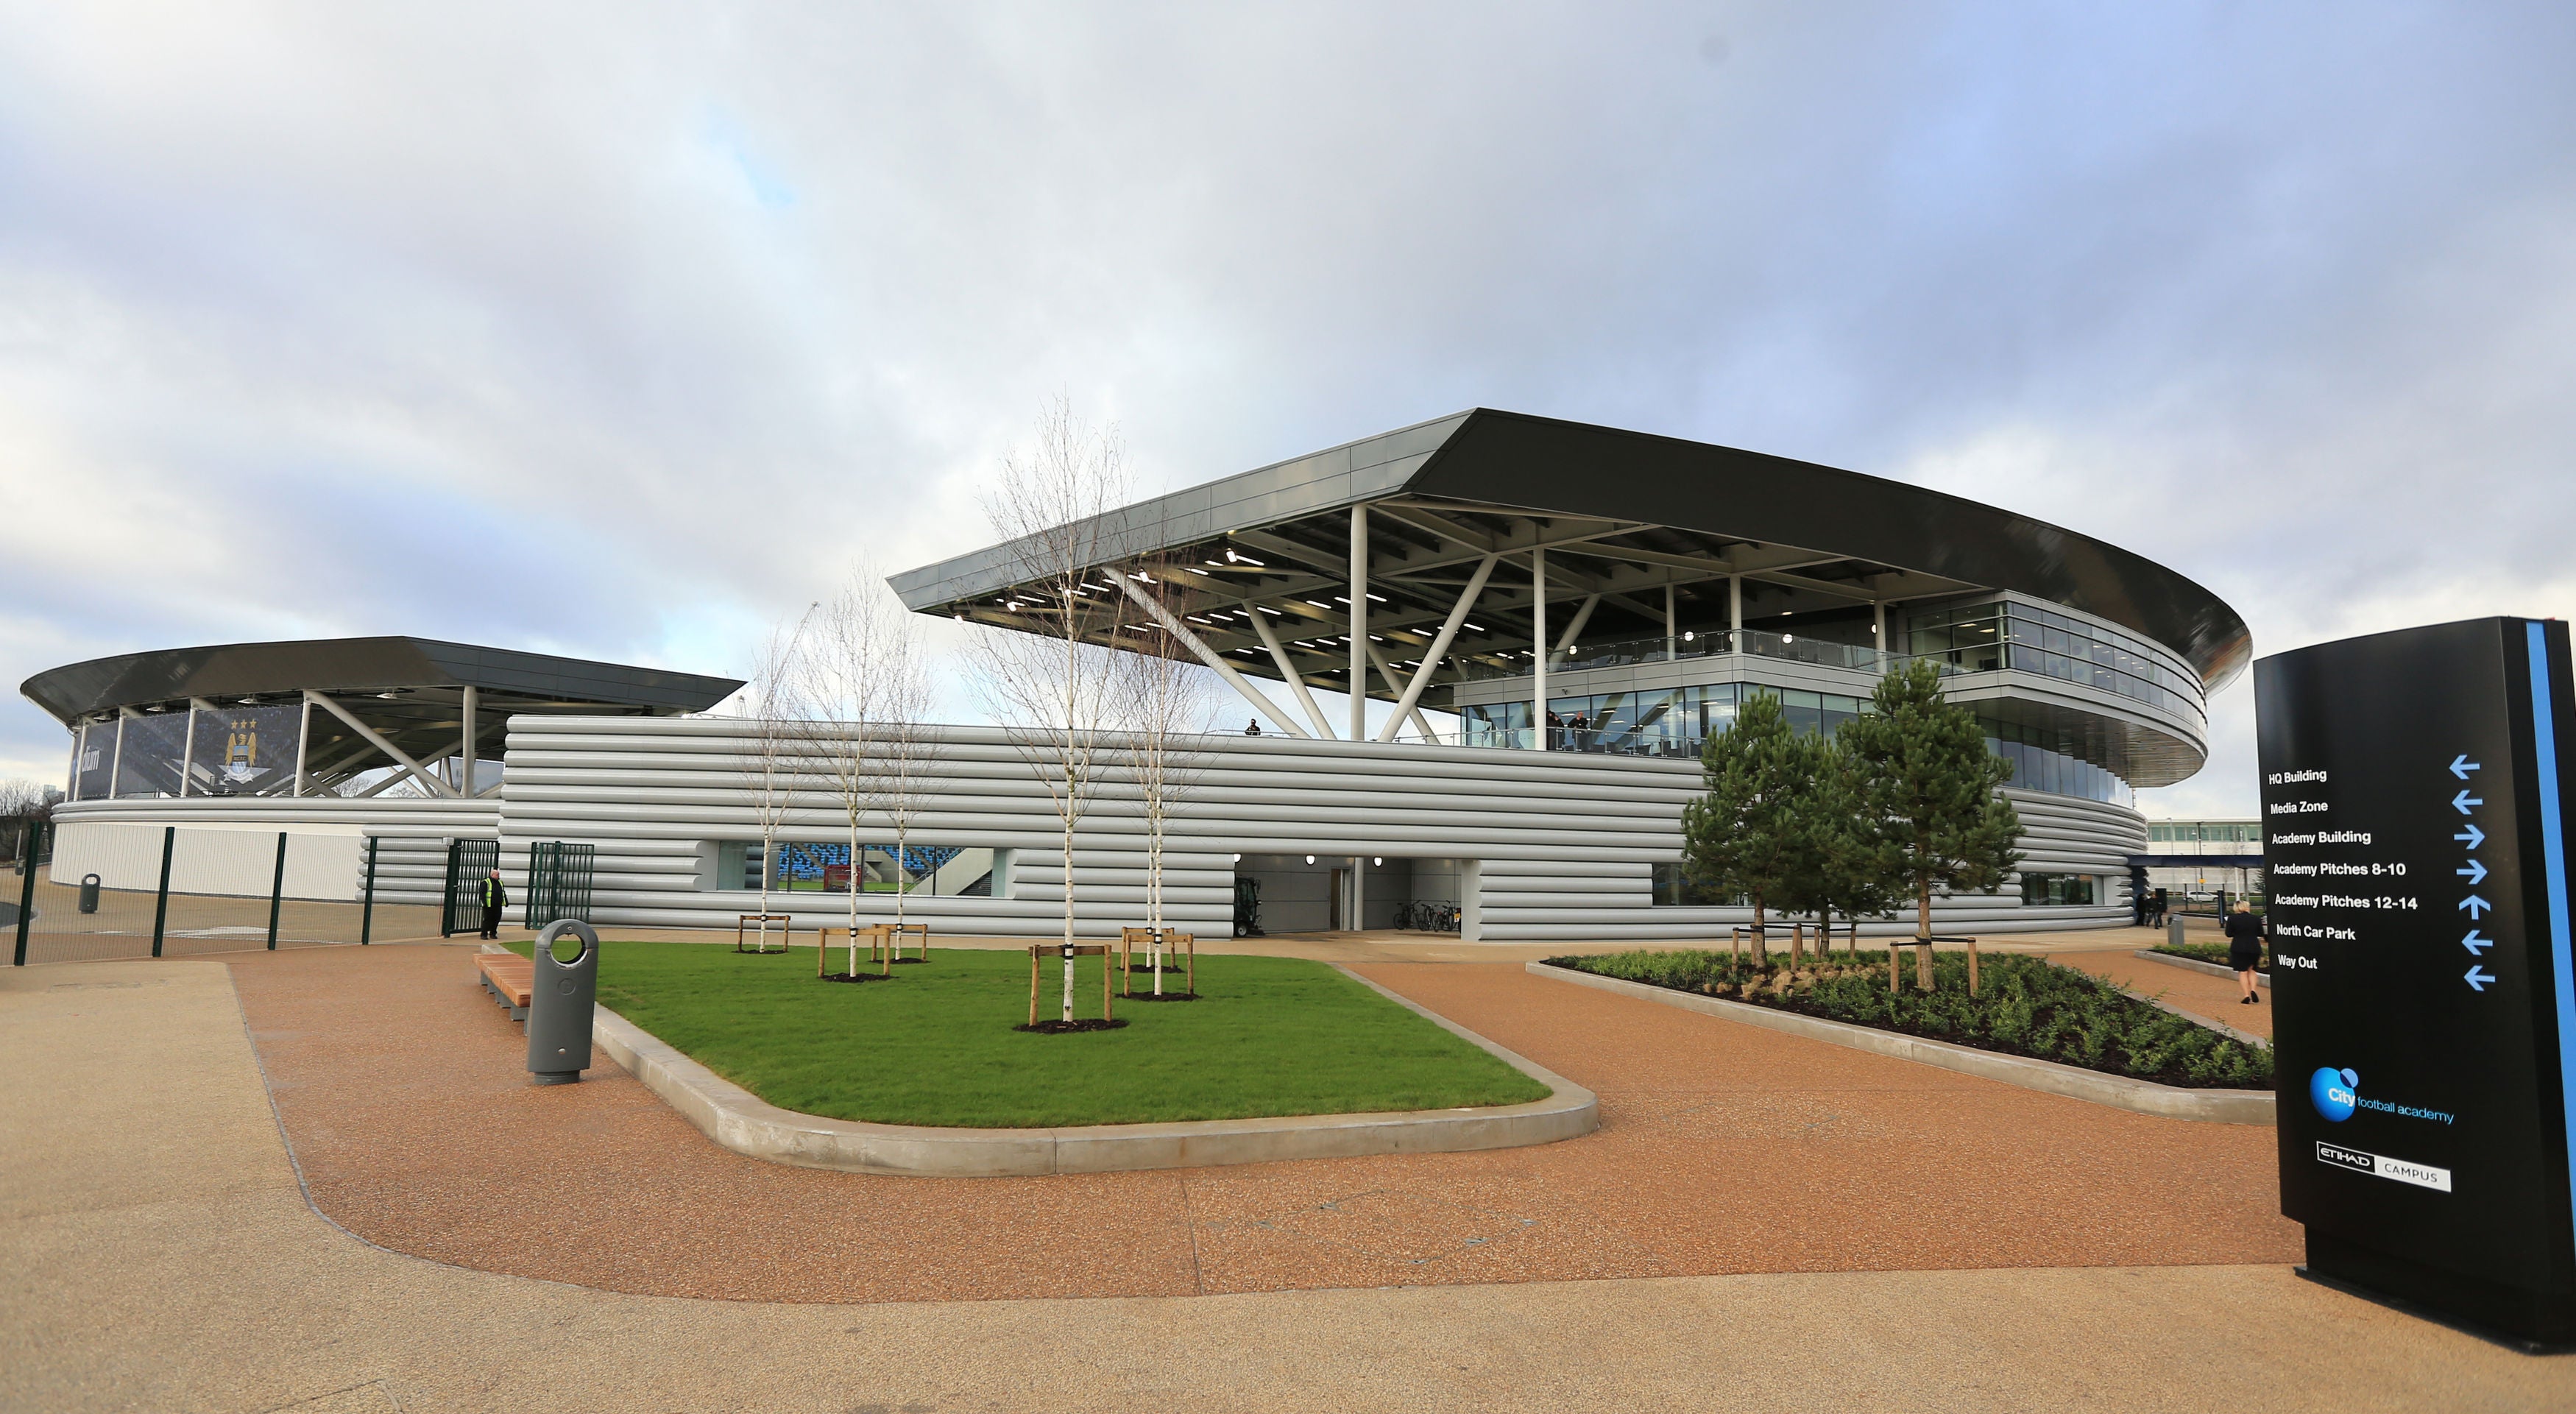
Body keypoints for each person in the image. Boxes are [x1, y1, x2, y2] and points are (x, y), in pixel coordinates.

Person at [2223, 899, 2265, 1005]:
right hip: (2254, 947)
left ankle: (2246, 995)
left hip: (2238, 947)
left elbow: (2228, 934)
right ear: (2246, 907)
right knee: (2252, 970)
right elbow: (2261, 933)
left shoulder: (2232, 919)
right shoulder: (2256, 919)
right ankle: (2253, 990)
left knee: (2243, 972)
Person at [479, 868, 508, 940]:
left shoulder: (500, 882)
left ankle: (493, 933)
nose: (499, 876)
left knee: (496, 919)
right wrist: (484, 902)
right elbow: (482, 893)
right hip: (489, 905)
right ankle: (484, 934)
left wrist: (506, 902)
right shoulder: (486, 882)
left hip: (498, 905)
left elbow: (503, 893)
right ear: (492, 875)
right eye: (497, 874)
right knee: (488, 920)